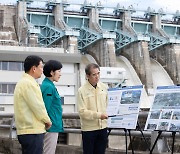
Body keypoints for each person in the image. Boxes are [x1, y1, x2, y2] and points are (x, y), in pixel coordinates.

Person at [14, 55, 52, 154]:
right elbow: (37, 106)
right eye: (41, 67)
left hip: (26, 130)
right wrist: (47, 120)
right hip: (32, 130)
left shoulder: (23, 82)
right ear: (34, 69)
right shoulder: (29, 83)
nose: (42, 70)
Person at [77, 63, 108, 154]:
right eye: (94, 74)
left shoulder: (104, 87)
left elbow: (108, 105)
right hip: (89, 129)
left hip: (103, 127)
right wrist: (99, 115)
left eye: (98, 73)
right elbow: (82, 112)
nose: (97, 76)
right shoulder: (82, 91)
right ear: (87, 76)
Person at [41, 60, 64, 154]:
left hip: (51, 124)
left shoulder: (48, 85)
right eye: (58, 71)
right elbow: (45, 107)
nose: (60, 74)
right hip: (51, 125)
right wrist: (47, 122)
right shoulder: (49, 87)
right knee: (48, 152)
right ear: (51, 72)